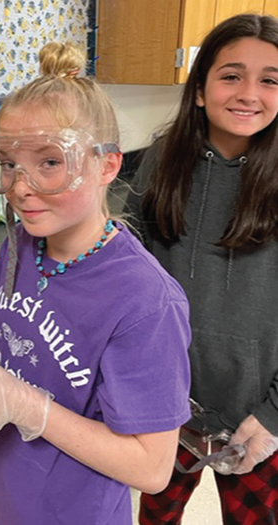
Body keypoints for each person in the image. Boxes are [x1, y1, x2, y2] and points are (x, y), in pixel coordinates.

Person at [0, 42, 193, 525]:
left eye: (50, 162)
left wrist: (28, 407)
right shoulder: (20, 247)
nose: (21, 186)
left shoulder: (144, 301)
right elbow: (15, 347)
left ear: (107, 165)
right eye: (9, 162)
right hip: (12, 494)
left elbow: (153, 468)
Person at [125, 14, 278, 525]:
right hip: (168, 407)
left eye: (270, 80)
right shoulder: (160, 162)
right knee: (156, 518)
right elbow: (134, 283)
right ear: (200, 90)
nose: (249, 93)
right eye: (231, 75)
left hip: (258, 414)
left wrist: (274, 415)